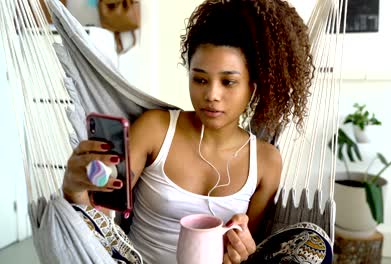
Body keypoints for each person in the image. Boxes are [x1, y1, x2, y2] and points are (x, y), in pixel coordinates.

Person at [62, 0, 313, 263]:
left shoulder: (266, 162)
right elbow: (101, 220)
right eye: (200, 79)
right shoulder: (155, 130)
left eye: (228, 82)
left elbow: (249, 246)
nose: (212, 95)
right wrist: (75, 191)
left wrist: (241, 253)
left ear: (252, 88)